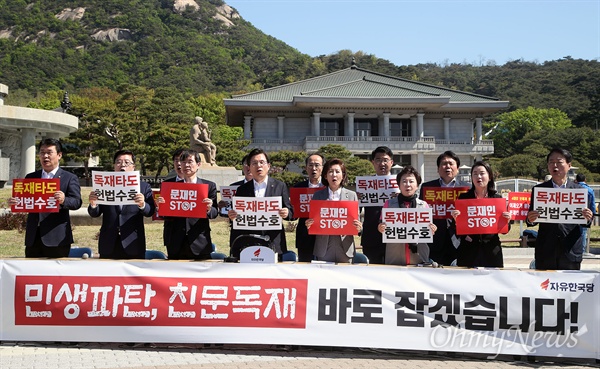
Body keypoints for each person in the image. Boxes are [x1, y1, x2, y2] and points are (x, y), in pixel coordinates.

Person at [8, 138, 82, 258]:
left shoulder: (69, 178)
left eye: (49, 152)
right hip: (34, 237)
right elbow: (26, 201)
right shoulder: (31, 177)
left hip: (57, 238)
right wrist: (15, 202)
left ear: (59, 155)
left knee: (55, 275)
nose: (45, 156)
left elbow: (77, 202)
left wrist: (64, 200)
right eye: (42, 152)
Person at [526, 148, 594, 270]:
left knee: (569, 286)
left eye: (559, 162)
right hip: (546, 249)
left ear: (569, 165)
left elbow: (587, 222)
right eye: (551, 162)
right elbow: (531, 219)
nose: (555, 166)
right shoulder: (539, 190)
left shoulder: (580, 191)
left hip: (571, 249)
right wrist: (531, 219)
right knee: (544, 286)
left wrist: (588, 218)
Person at [88, 150, 156, 259]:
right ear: (114, 166)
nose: (122, 166)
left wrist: (142, 204)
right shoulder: (104, 185)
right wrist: (93, 204)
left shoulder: (143, 187)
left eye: (127, 162)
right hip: (108, 243)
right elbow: (94, 213)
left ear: (133, 166)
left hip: (133, 243)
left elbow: (150, 211)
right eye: (118, 162)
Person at [228, 148, 294, 258]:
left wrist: (286, 212)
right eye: (254, 163)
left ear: (268, 166)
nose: (258, 166)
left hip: (273, 242)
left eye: (262, 162)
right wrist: (232, 216)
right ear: (249, 167)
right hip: (249, 243)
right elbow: (237, 217)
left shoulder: (279, 186)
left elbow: (291, 212)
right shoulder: (242, 189)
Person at [157, 149, 218, 260]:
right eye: (183, 162)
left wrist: (209, 208)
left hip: (199, 242)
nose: (186, 165)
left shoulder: (209, 186)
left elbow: (214, 213)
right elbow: (164, 215)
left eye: (190, 162)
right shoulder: (170, 186)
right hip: (175, 243)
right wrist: (161, 207)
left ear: (198, 164)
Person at [450, 161, 511, 268]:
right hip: (468, 251)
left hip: (491, 250)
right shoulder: (464, 199)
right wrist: (456, 221)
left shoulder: (498, 199)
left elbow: (505, 230)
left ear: (490, 176)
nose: (478, 177)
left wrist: (507, 220)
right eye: (475, 173)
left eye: (482, 173)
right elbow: (456, 230)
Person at [377, 166, 437, 266]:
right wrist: (381, 228)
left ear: (417, 185)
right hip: (395, 255)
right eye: (404, 181)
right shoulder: (389, 204)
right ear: (399, 185)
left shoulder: (424, 205)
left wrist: (432, 229)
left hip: (419, 255)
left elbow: (428, 229)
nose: (407, 185)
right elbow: (381, 225)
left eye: (411, 181)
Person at [305, 158, 362, 263]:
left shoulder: (351, 195)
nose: (334, 175)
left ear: (343, 175)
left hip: (345, 246)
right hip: (324, 247)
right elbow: (314, 220)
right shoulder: (318, 195)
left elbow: (356, 220)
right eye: (330, 172)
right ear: (326, 176)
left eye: (337, 171)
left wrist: (358, 227)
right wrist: (310, 224)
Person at [419, 151, 469, 266]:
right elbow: (422, 212)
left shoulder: (467, 188)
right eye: (444, 164)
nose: (447, 167)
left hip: (458, 239)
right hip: (435, 239)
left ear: (458, 168)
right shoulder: (427, 187)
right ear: (438, 169)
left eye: (451, 164)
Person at [360, 146, 394, 264]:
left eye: (385, 160)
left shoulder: (400, 184)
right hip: (371, 236)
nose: (382, 163)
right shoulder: (365, 184)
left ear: (391, 162)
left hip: (394, 236)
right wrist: (357, 199)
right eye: (378, 160)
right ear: (373, 163)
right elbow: (356, 211)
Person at [292, 153, 325, 262]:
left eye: (317, 165)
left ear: (323, 167)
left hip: (325, 234)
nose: (314, 168)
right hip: (304, 236)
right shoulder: (298, 188)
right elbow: (293, 216)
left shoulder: (328, 187)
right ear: (306, 168)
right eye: (310, 165)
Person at [575, 173, 596, 253]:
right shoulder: (590, 190)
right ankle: (582, 251)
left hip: (573, 213)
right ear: (585, 180)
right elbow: (592, 204)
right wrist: (592, 215)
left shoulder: (573, 188)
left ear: (576, 180)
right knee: (583, 232)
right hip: (585, 213)